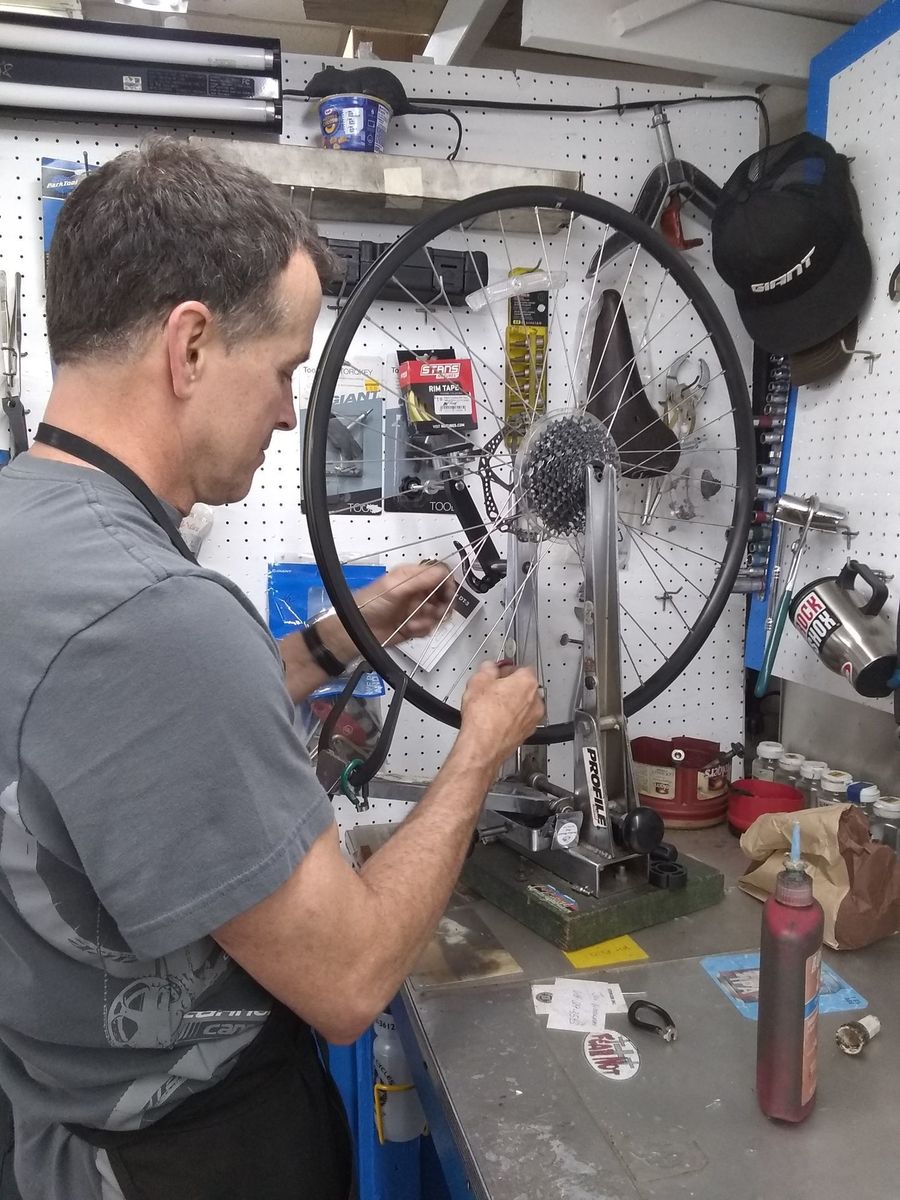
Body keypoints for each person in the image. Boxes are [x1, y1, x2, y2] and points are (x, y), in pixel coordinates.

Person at [0, 138, 543, 1200]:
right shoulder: (155, 615)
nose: (291, 411)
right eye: (287, 369)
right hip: (186, 1154)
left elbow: (128, 750)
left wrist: (342, 636)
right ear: (190, 346)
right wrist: (479, 751)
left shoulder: (32, 527)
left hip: (57, 1119)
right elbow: (349, 978)